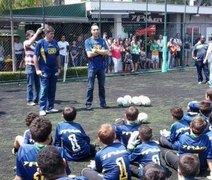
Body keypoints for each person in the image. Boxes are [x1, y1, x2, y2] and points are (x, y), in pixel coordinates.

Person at [34, 25, 61, 116]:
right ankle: (42, 108)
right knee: (44, 89)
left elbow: (57, 55)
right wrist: (37, 69)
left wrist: (59, 67)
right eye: (51, 33)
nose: (52, 35)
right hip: (44, 69)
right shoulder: (40, 43)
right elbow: (35, 56)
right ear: (45, 34)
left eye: (53, 33)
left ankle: (50, 107)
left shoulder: (55, 42)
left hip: (54, 70)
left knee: (52, 89)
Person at [84, 23, 109, 110]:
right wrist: (101, 51)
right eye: (94, 30)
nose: (96, 31)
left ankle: (103, 103)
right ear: (91, 31)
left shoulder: (102, 41)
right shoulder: (87, 41)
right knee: (90, 87)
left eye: (97, 29)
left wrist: (96, 50)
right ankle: (88, 104)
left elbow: (107, 52)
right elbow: (89, 54)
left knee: (102, 86)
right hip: (92, 67)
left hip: (101, 67)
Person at [24, 28, 43, 106]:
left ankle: (36, 99)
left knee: (38, 84)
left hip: (37, 66)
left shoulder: (37, 43)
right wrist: (37, 32)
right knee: (30, 84)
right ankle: (29, 100)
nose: (34, 36)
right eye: (32, 35)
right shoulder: (26, 42)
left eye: (34, 35)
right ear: (28, 36)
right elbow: (29, 44)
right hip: (29, 66)